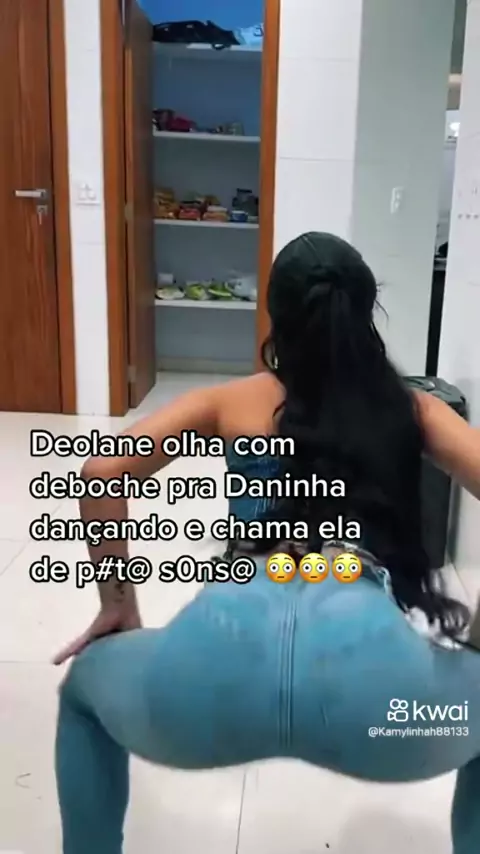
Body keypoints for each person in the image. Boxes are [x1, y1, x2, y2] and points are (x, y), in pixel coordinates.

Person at [55, 232, 480, 854]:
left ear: (275, 316)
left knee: (84, 693)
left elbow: (102, 473)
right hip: (376, 701)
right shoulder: (413, 409)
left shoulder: (229, 401)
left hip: (217, 664)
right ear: (364, 313)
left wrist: (117, 604)